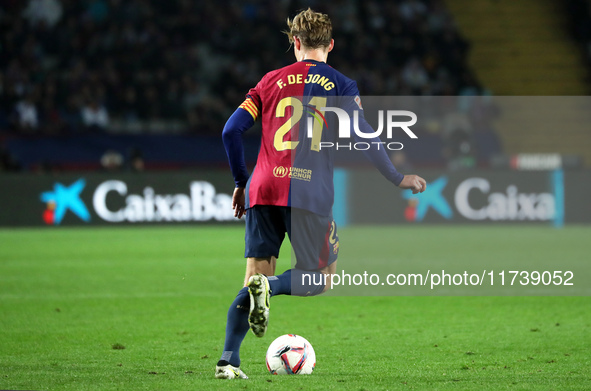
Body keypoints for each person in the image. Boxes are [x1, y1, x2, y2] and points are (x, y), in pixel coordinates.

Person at [217, 8, 426, 379]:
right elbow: (364, 137)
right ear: (331, 45)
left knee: (252, 278)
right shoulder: (342, 85)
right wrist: (396, 178)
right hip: (309, 191)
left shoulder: (268, 81)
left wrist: (240, 182)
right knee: (321, 278)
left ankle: (228, 361)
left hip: (263, 188)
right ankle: (274, 286)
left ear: (294, 43)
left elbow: (231, 131)